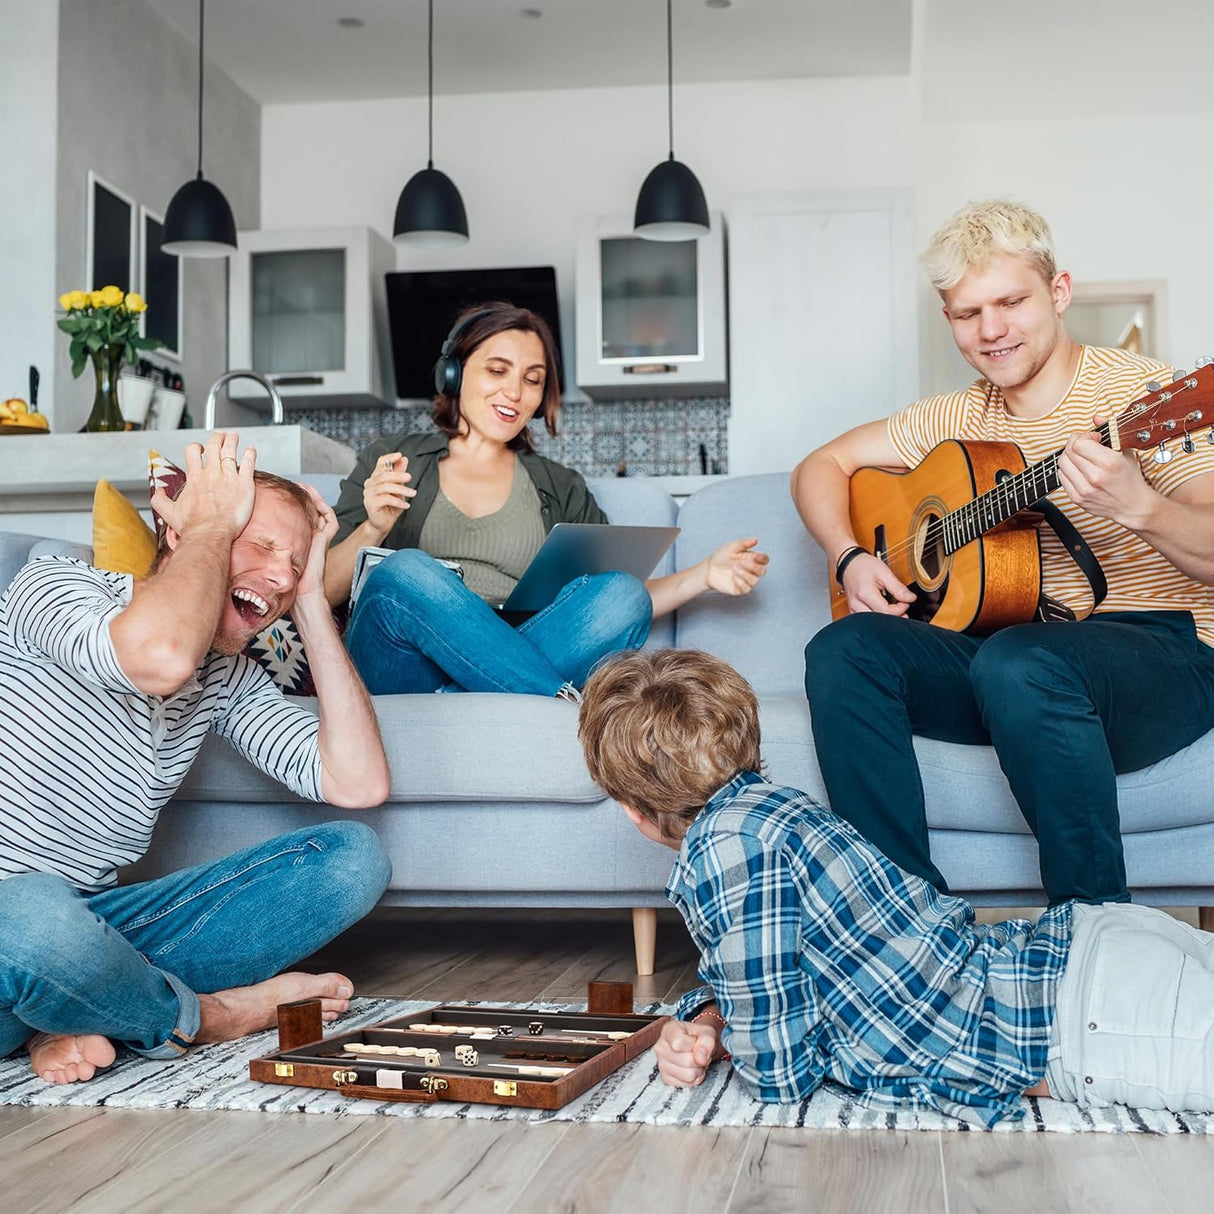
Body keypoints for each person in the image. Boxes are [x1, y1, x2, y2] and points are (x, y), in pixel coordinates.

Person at [577, 647, 1214, 1128]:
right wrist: (711, 1017)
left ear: (633, 807)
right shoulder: (776, 807)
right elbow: (791, 975)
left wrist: (729, 1034)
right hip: (1095, 951)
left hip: (1093, 1017)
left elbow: (779, 1075)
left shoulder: (723, 853)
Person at [790, 199, 1214, 905]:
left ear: (1059, 291)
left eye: (1011, 301)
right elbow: (819, 466)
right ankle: (900, 919)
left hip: (1168, 655)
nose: (990, 331)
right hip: (1013, 667)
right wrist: (848, 558)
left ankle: (1091, 933)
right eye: (965, 313)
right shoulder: (957, 417)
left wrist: (1143, 506)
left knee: (1020, 659)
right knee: (846, 649)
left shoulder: (1144, 396)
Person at [0, 431, 393, 1085]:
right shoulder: (55, 588)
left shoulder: (228, 678)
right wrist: (208, 521)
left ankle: (70, 1010)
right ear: (186, 533)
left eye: (293, 563)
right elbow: (159, 657)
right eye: (262, 545)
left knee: (353, 859)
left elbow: (358, 781)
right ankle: (201, 1017)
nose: (279, 573)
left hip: (91, 926)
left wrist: (313, 602)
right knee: (36, 925)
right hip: (22, 925)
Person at [325, 301, 768, 698]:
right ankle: (551, 698)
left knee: (624, 593)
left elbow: (612, 601)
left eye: (532, 380)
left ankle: (473, 696)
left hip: (527, 640)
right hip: (404, 664)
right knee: (405, 570)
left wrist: (705, 575)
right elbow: (321, 590)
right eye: (497, 371)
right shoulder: (392, 459)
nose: (515, 393)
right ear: (454, 373)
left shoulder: (561, 485)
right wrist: (374, 528)